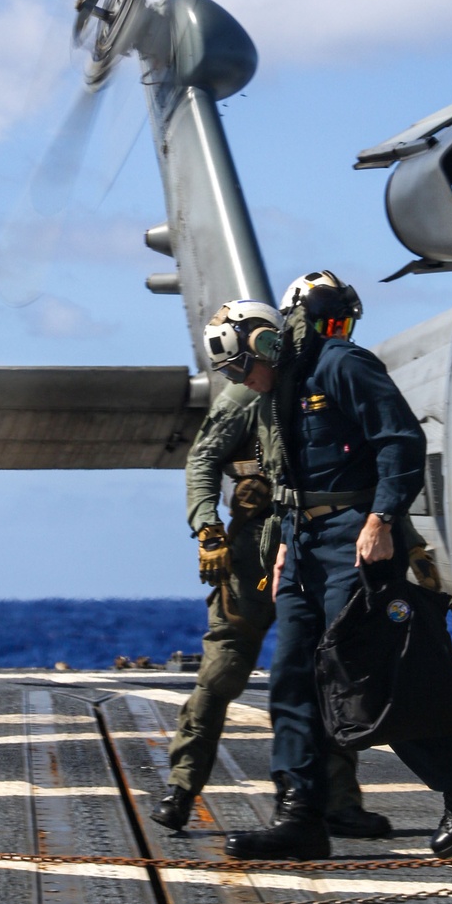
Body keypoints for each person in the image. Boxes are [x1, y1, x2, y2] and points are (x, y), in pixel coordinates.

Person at [217, 271, 452, 861]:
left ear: (267, 345)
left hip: (353, 539)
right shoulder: (283, 393)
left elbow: (401, 441)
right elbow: (291, 475)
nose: (243, 381)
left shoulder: (343, 365)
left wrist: (380, 521)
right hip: (301, 544)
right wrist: (283, 541)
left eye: (244, 367)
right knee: (293, 680)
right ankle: (299, 817)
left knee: (369, 679)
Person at [150, 296, 391, 839]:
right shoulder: (243, 396)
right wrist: (208, 527)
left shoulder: (316, 388)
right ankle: (182, 787)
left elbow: (356, 477)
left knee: (327, 673)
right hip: (258, 562)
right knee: (223, 669)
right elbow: (204, 459)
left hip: (311, 550)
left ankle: (338, 803)